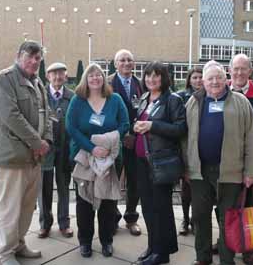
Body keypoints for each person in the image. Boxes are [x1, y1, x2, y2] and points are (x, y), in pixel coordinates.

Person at [185, 61, 253, 265]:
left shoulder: (240, 102)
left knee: (228, 219)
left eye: (218, 77)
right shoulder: (194, 102)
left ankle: (227, 260)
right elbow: (185, 138)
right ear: (203, 82)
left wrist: (250, 171)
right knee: (200, 216)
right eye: (210, 78)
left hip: (231, 171)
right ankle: (203, 258)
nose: (215, 81)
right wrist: (186, 167)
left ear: (226, 80)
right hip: (199, 171)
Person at [210, 54, 253, 265]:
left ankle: (248, 247)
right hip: (225, 166)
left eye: (243, 69)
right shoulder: (219, 91)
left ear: (250, 72)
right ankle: (225, 241)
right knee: (225, 207)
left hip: (249, 166)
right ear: (229, 70)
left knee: (249, 206)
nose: (239, 73)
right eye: (235, 69)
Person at [0, 40, 52, 265]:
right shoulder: (4, 79)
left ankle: (18, 244)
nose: (35, 61)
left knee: (26, 207)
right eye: (30, 56)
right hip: (12, 158)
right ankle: (5, 253)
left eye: (38, 58)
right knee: (9, 208)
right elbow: (11, 117)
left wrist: (46, 140)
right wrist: (37, 142)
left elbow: (47, 115)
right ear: (19, 56)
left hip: (34, 158)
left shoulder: (38, 84)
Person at [66, 63, 129, 258]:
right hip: (84, 158)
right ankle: (85, 241)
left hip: (109, 159)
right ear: (86, 79)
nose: (95, 78)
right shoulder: (78, 100)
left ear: (104, 78)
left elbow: (125, 124)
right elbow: (71, 127)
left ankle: (106, 241)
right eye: (91, 75)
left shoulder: (115, 99)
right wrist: (93, 147)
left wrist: (108, 142)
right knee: (84, 201)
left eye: (99, 75)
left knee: (107, 203)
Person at [134, 61, 187, 265]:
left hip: (161, 161)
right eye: (148, 75)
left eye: (156, 76)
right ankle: (153, 245)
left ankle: (162, 253)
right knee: (147, 207)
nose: (151, 79)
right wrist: (137, 126)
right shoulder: (145, 98)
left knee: (161, 208)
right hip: (142, 160)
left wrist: (152, 125)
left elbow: (180, 129)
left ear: (163, 78)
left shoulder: (172, 100)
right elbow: (141, 122)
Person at [108, 49, 143, 236]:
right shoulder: (107, 83)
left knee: (134, 181)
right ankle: (113, 219)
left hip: (136, 140)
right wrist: (123, 135)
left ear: (134, 63)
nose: (126, 63)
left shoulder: (140, 84)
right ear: (116, 64)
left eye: (129, 60)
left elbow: (145, 110)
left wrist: (134, 134)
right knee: (113, 180)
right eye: (122, 60)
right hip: (115, 140)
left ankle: (131, 218)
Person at [37, 62, 74, 239]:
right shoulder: (40, 95)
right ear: (48, 77)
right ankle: (44, 224)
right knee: (44, 187)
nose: (58, 77)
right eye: (54, 74)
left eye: (61, 74)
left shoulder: (72, 97)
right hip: (45, 148)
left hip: (65, 149)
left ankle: (64, 223)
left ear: (66, 77)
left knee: (63, 187)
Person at [176, 67, 203, 235]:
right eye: (195, 77)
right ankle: (185, 220)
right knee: (186, 189)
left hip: (203, 148)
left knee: (200, 191)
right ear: (189, 79)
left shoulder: (211, 95)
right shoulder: (181, 97)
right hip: (186, 146)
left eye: (201, 77)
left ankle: (196, 220)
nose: (198, 80)